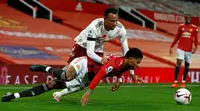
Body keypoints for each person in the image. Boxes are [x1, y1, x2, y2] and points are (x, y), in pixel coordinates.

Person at [2, 48, 144, 103]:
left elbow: (120, 71)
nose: (137, 66)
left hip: (87, 76)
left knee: (53, 85)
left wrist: (123, 79)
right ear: (130, 58)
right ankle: (45, 68)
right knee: (66, 76)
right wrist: (88, 93)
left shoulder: (124, 64)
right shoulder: (114, 62)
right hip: (84, 64)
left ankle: (14, 96)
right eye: (136, 62)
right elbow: (100, 75)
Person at [169, 14, 198, 88]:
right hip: (180, 48)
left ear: (191, 19)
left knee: (187, 65)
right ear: (185, 19)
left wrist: (196, 47)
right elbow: (177, 37)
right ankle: (175, 82)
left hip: (189, 49)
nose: (188, 19)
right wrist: (171, 46)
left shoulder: (194, 28)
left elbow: (196, 39)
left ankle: (183, 82)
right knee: (178, 63)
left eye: (189, 18)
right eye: (187, 18)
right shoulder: (180, 26)